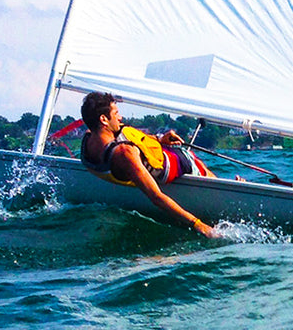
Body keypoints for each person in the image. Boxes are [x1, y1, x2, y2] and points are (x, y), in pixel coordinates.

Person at [78, 91, 217, 237]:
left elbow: (136, 138)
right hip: (178, 162)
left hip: (160, 151)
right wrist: (198, 224)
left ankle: (239, 183)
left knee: (197, 161)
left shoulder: (88, 139)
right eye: (116, 113)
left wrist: (159, 138)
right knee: (198, 164)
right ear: (104, 119)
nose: (120, 117)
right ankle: (238, 186)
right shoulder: (125, 154)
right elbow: (156, 197)